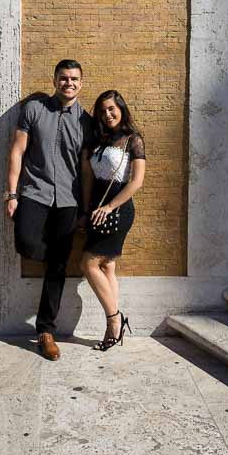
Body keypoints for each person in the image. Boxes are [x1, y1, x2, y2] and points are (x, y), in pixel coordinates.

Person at [6, 60, 93, 361]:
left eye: (74, 79)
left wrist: (85, 207)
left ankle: (46, 330)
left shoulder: (87, 121)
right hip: (34, 193)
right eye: (64, 78)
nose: (69, 83)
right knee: (25, 241)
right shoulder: (34, 109)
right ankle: (54, 256)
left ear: (81, 83)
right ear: (55, 80)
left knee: (57, 268)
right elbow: (17, 151)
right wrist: (12, 194)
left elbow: (85, 169)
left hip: (68, 201)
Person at [80, 90, 146, 351]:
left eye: (112, 109)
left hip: (118, 209)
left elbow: (136, 182)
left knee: (88, 263)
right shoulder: (95, 142)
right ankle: (114, 328)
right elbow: (87, 179)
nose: (107, 114)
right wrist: (86, 211)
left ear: (121, 109)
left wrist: (109, 207)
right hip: (96, 209)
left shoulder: (133, 140)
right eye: (102, 110)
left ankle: (114, 320)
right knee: (107, 266)